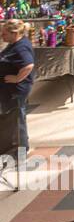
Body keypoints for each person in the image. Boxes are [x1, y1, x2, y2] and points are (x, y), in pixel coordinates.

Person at [0, 19, 35, 160]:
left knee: (18, 118)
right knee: (14, 116)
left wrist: (17, 78)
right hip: (8, 88)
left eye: (4, 34)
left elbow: (28, 65)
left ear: (14, 33)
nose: (2, 36)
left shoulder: (21, 47)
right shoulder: (14, 43)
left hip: (16, 90)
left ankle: (20, 151)